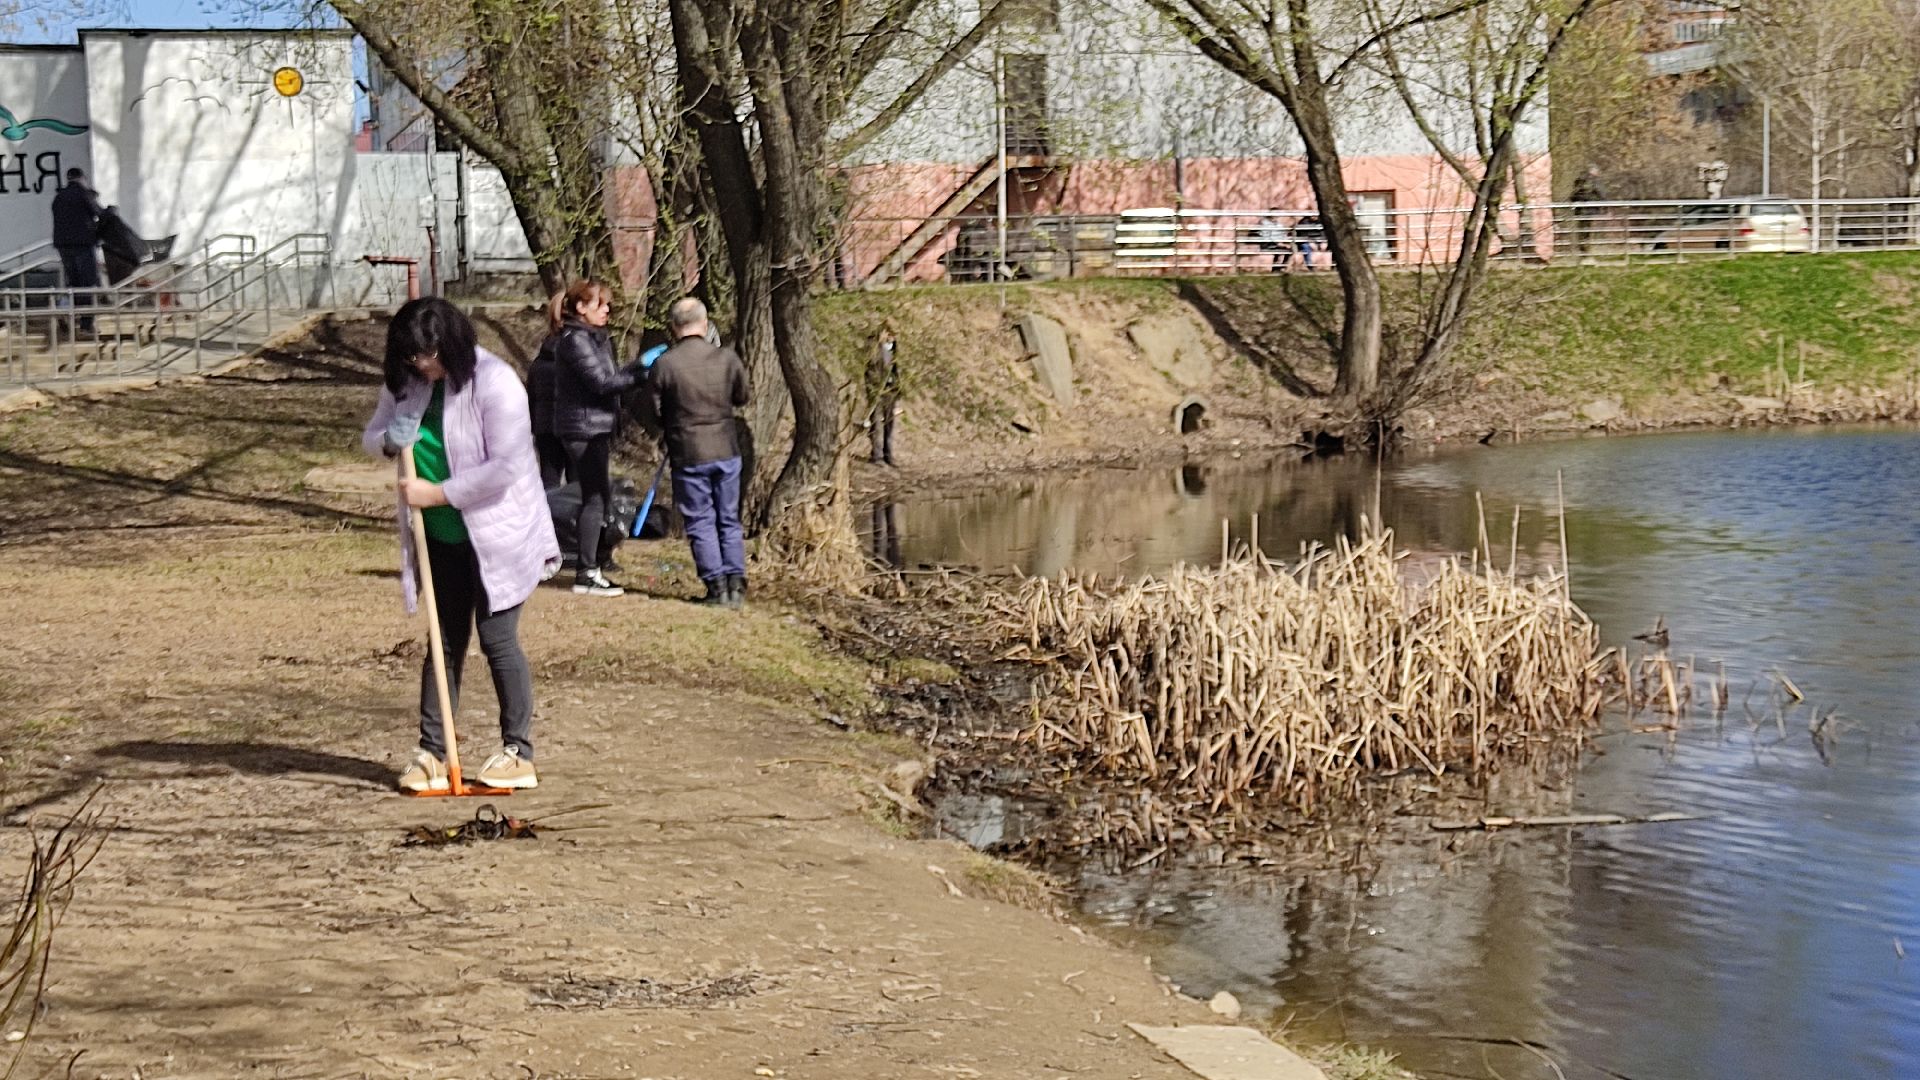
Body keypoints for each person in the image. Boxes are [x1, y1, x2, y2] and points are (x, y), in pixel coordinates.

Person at [361, 297, 561, 793]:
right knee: (443, 641)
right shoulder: (406, 382)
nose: (422, 364)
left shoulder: (495, 382)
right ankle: (433, 752)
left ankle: (518, 753)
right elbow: (372, 434)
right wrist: (388, 440)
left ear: (451, 345)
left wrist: (438, 494)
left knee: (497, 639)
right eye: (412, 356)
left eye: (429, 354)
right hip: (439, 536)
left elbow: (507, 466)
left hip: (498, 533)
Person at [543, 280, 647, 597]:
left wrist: (637, 366)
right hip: (583, 429)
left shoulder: (593, 338)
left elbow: (610, 377)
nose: (607, 310)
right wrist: (642, 376)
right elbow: (601, 383)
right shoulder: (575, 340)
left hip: (595, 427)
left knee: (597, 496)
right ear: (580, 308)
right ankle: (587, 572)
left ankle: (593, 564)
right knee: (595, 498)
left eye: (607, 305)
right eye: (600, 305)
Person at [649, 296, 750, 607]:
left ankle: (716, 587)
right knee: (729, 518)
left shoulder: (665, 364)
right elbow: (742, 396)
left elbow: (655, 412)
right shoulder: (727, 358)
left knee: (701, 520)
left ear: (673, 327)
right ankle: (736, 583)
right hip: (726, 448)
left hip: (688, 451)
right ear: (705, 325)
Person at [50, 167, 102, 333]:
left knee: (72, 283)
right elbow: (99, 213)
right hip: (83, 245)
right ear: (82, 178)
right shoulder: (83, 194)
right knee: (87, 284)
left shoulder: (59, 197)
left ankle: (64, 311)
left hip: (63, 246)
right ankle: (86, 324)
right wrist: (111, 211)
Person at [865, 323, 901, 466]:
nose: (892, 337)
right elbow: (870, 366)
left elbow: (896, 368)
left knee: (889, 421)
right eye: (890, 334)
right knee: (876, 420)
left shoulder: (894, 347)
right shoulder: (873, 345)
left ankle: (888, 454)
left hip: (890, 388)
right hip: (876, 388)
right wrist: (876, 387)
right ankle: (876, 454)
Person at [1569, 165, 1607, 257]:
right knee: (1587, 231)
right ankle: (1585, 250)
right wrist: (1604, 206)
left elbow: (1573, 195)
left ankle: (1582, 249)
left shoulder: (1580, 180)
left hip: (1580, 210)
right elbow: (1601, 194)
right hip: (1589, 210)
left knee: (1582, 230)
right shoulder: (1594, 181)